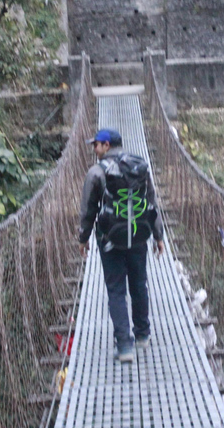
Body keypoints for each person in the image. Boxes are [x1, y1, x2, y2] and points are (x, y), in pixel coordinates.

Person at [78, 128, 165, 363]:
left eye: (96, 144)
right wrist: (158, 236)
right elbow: (151, 202)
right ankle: (143, 335)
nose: (94, 149)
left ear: (106, 145)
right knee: (139, 284)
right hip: (138, 236)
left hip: (109, 239)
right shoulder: (139, 167)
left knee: (116, 289)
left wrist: (83, 238)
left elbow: (88, 209)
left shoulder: (96, 172)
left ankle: (125, 346)